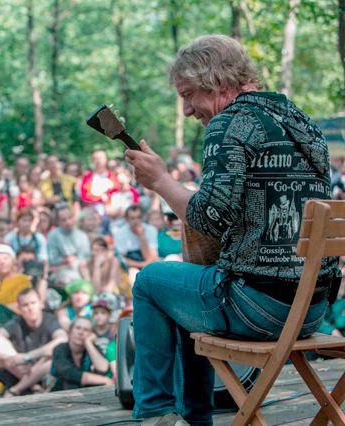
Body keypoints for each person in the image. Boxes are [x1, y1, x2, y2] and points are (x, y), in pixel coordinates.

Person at [124, 35, 337, 425]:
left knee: (151, 280)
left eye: (188, 95)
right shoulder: (300, 121)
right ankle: (193, 418)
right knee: (183, 284)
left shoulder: (229, 122)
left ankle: (155, 414)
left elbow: (208, 218)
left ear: (218, 81)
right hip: (311, 311)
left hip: (260, 309)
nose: (187, 109)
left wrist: (160, 182)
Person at [0, 288, 67, 397]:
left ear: (41, 304)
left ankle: (16, 389)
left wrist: (26, 357)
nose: (30, 308)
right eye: (25, 305)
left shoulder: (49, 320)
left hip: (43, 370)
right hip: (21, 370)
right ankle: (33, 386)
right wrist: (10, 358)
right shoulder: (17, 322)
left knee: (52, 357)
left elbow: (63, 340)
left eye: (33, 303)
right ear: (19, 308)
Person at [50, 316, 113, 392]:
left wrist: (88, 343)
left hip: (89, 395)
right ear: (70, 331)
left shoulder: (92, 348)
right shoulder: (60, 349)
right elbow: (68, 373)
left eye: (86, 330)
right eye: (78, 328)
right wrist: (103, 380)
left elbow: (103, 369)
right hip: (61, 394)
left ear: (91, 334)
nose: (81, 332)